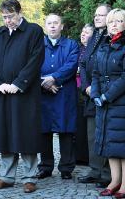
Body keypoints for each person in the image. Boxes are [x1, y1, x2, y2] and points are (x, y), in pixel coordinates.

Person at [0, 0, 44, 193]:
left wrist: (18, 84)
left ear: (19, 13)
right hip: (3, 93)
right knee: (6, 135)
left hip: (25, 94)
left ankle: (30, 177)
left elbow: (35, 61)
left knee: (26, 134)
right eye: (4, 17)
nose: (7, 21)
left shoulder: (34, 31)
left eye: (10, 16)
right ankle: (6, 176)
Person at [91, 9, 125, 198]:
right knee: (111, 144)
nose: (114, 24)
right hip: (106, 102)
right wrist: (96, 94)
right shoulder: (103, 45)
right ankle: (114, 181)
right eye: (111, 21)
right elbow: (96, 73)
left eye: (119, 21)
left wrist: (107, 96)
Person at [36, 14, 79, 180]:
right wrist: (43, 82)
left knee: (66, 131)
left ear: (62, 26)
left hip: (64, 94)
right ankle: (45, 167)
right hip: (43, 94)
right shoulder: (38, 45)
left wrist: (53, 78)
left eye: (56, 23)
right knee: (44, 131)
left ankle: (66, 167)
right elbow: (32, 65)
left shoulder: (71, 44)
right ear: (45, 26)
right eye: (49, 23)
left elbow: (71, 65)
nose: (52, 26)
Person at [78, 4, 111, 186]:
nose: (97, 18)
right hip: (90, 92)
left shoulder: (110, 37)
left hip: (104, 93)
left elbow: (105, 66)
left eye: (101, 15)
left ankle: (106, 173)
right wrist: (86, 86)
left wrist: (96, 88)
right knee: (92, 134)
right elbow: (83, 63)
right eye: (96, 14)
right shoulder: (94, 37)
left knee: (105, 133)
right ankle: (95, 169)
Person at [75, 24, 94, 164]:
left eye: (87, 32)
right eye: (82, 31)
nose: (83, 34)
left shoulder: (93, 50)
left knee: (88, 127)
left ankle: (87, 157)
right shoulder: (78, 49)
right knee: (78, 126)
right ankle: (79, 156)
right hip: (75, 91)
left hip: (88, 90)